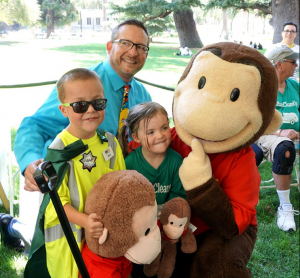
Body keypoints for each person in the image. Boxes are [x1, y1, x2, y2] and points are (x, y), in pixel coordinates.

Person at [1, 19, 151, 250]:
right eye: (126, 43)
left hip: (111, 189)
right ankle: (13, 225)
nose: (134, 52)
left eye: (141, 47)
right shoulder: (82, 85)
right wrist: (30, 163)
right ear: (109, 46)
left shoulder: (142, 95)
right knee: (56, 246)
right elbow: (35, 125)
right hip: (70, 189)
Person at [25, 68, 126, 278]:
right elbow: (55, 203)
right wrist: (85, 221)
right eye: (80, 105)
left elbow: (121, 186)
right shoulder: (59, 150)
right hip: (68, 241)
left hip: (101, 234)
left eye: (98, 103)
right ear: (64, 110)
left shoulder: (111, 143)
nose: (91, 110)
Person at [119, 102, 186, 278]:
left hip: (167, 228)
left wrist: (170, 226)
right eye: (151, 132)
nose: (160, 135)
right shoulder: (130, 164)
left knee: (171, 266)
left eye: (164, 127)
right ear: (136, 137)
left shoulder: (176, 161)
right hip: (141, 231)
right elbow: (127, 202)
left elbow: (178, 197)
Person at [253, 45, 299, 232]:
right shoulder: (260, 88)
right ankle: (285, 206)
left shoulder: (295, 86)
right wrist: (281, 133)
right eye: (293, 62)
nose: (296, 66)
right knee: (285, 149)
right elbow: (255, 124)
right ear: (279, 64)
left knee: (286, 144)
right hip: (267, 136)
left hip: (294, 135)